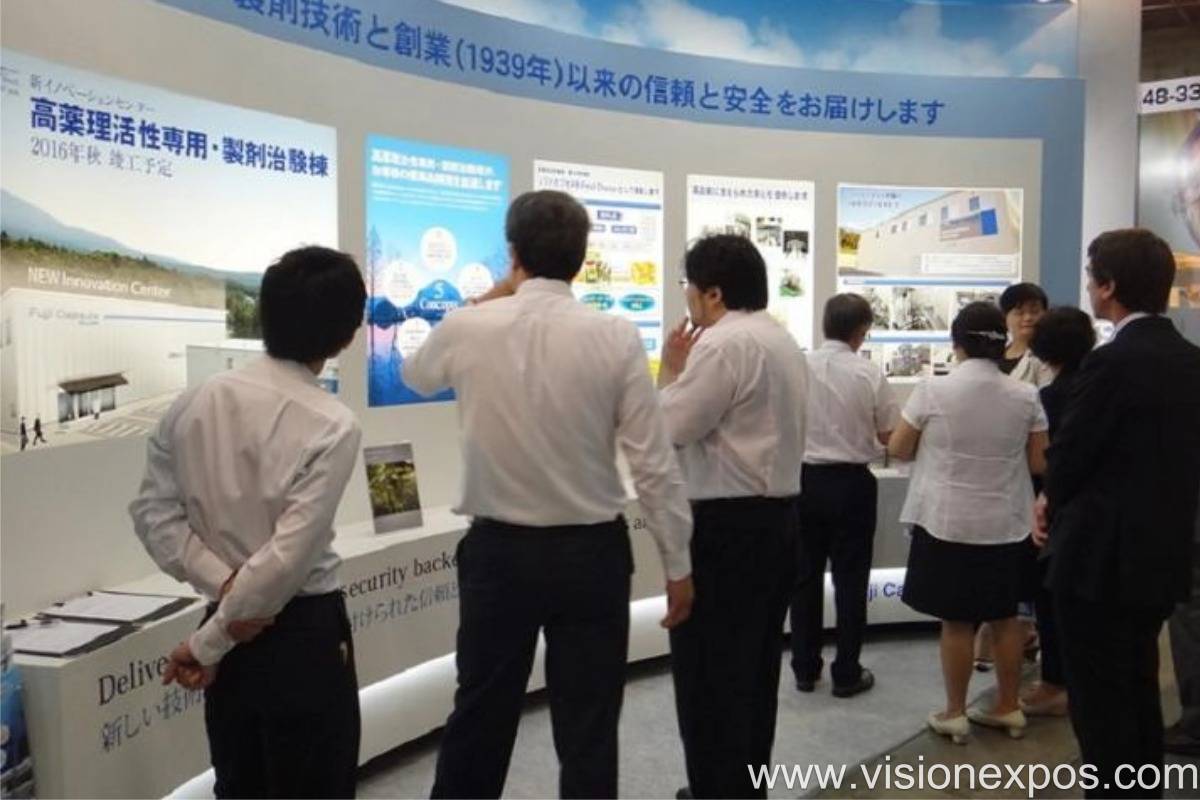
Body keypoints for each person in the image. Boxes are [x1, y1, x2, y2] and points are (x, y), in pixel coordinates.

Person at [403, 190, 694, 800]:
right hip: (592, 557)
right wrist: (677, 564)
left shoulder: (468, 326)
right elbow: (652, 461)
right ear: (582, 260)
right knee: (589, 729)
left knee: (479, 716)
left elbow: (416, 374)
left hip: (498, 555)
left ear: (513, 254)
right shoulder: (615, 335)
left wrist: (490, 296)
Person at [129, 246, 367, 799]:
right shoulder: (332, 423)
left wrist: (221, 589)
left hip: (229, 626)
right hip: (300, 633)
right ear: (346, 335)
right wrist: (210, 639)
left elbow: (153, 515)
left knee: (239, 784)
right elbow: (285, 562)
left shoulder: (194, 402)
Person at [1037, 229, 1200, 798]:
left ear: (1108, 286)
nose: (1088, 287)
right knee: (1139, 688)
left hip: (1098, 560)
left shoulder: (1109, 363)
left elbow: (1070, 455)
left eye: (1091, 277)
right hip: (1161, 554)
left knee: (1101, 704)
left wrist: (1048, 500)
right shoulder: (1191, 361)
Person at [658, 234, 808, 799]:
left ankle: (716, 789)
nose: (687, 297)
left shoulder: (724, 345)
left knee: (710, 680)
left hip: (729, 530)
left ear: (714, 293)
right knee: (754, 674)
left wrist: (671, 372)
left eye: (689, 286)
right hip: (776, 524)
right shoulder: (779, 339)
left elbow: (670, 428)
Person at [889, 301, 1048, 744]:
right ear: (1001, 341)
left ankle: (955, 712)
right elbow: (1039, 461)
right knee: (1006, 618)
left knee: (956, 621)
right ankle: (1008, 707)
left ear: (956, 343)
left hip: (946, 520)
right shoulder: (1025, 395)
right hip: (1008, 521)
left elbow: (899, 448)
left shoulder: (932, 390)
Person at [790, 293, 898, 698]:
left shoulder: (798, 366)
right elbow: (888, 434)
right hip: (852, 484)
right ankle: (846, 671)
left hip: (803, 480)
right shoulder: (868, 373)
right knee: (851, 581)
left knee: (804, 578)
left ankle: (804, 668)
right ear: (862, 330)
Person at [1019, 307, 1095, 719]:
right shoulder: (1099, 387)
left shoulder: (1050, 398)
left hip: (1056, 510)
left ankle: (1055, 684)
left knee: (1051, 601)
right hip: (1097, 512)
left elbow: (1044, 463)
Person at [997, 282, 1054, 386]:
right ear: (1005, 317)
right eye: (1019, 313)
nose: (1028, 318)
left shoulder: (1048, 357)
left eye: (1034, 312)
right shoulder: (996, 352)